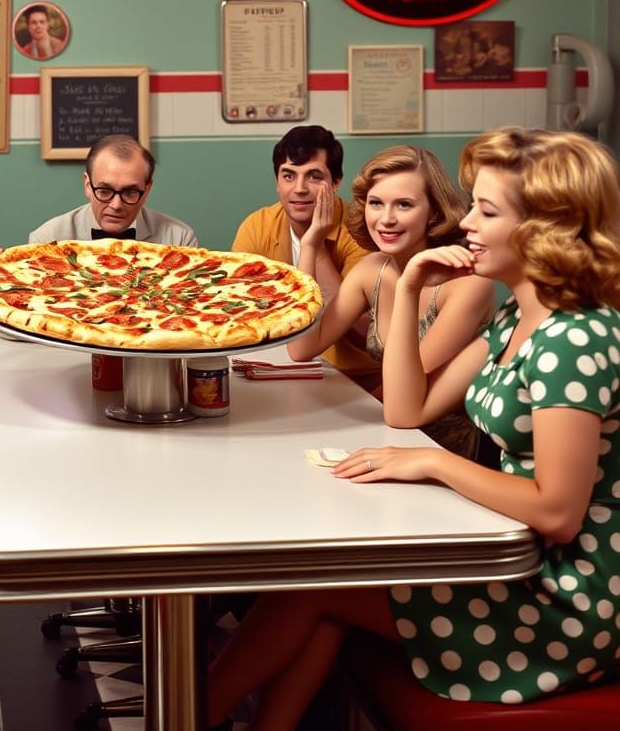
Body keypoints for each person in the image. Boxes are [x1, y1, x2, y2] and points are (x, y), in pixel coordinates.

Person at [208, 127, 620, 728]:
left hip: (566, 602)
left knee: (311, 588)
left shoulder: (574, 337)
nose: (468, 224)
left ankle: (185, 718)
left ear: (542, 228)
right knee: (317, 592)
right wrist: (406, 287)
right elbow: (406, 412)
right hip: (524, 565)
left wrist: (433, 462)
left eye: (486, 209)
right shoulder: (518, 321)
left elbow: (557, 511)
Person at [287, 146, 495, 458]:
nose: (386, 219)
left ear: (434, 212)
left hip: (444, 450)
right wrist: (310, 244)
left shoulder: (467, 283)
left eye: (404, 205)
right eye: (376, 203)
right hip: (383, 432)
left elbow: (403, 386)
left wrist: (335, 422)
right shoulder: (372, 270)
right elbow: (301, 348)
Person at [231, 125, 378, 386]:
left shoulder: (361, 229)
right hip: (276, 367)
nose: (299, 189)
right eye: (288, 176)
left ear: (335, 183)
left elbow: (362, 331)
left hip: (353, 378)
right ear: (277, 182)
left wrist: (316, 244)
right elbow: (239, 312)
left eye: (313, 177)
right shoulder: (257, 226)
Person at [29, 134, 197, 245]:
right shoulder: (46, 239)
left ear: (146, 191)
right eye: (104, 191)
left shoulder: (180, 240)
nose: (116, 205)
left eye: (130, 192)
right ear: (87, 185)